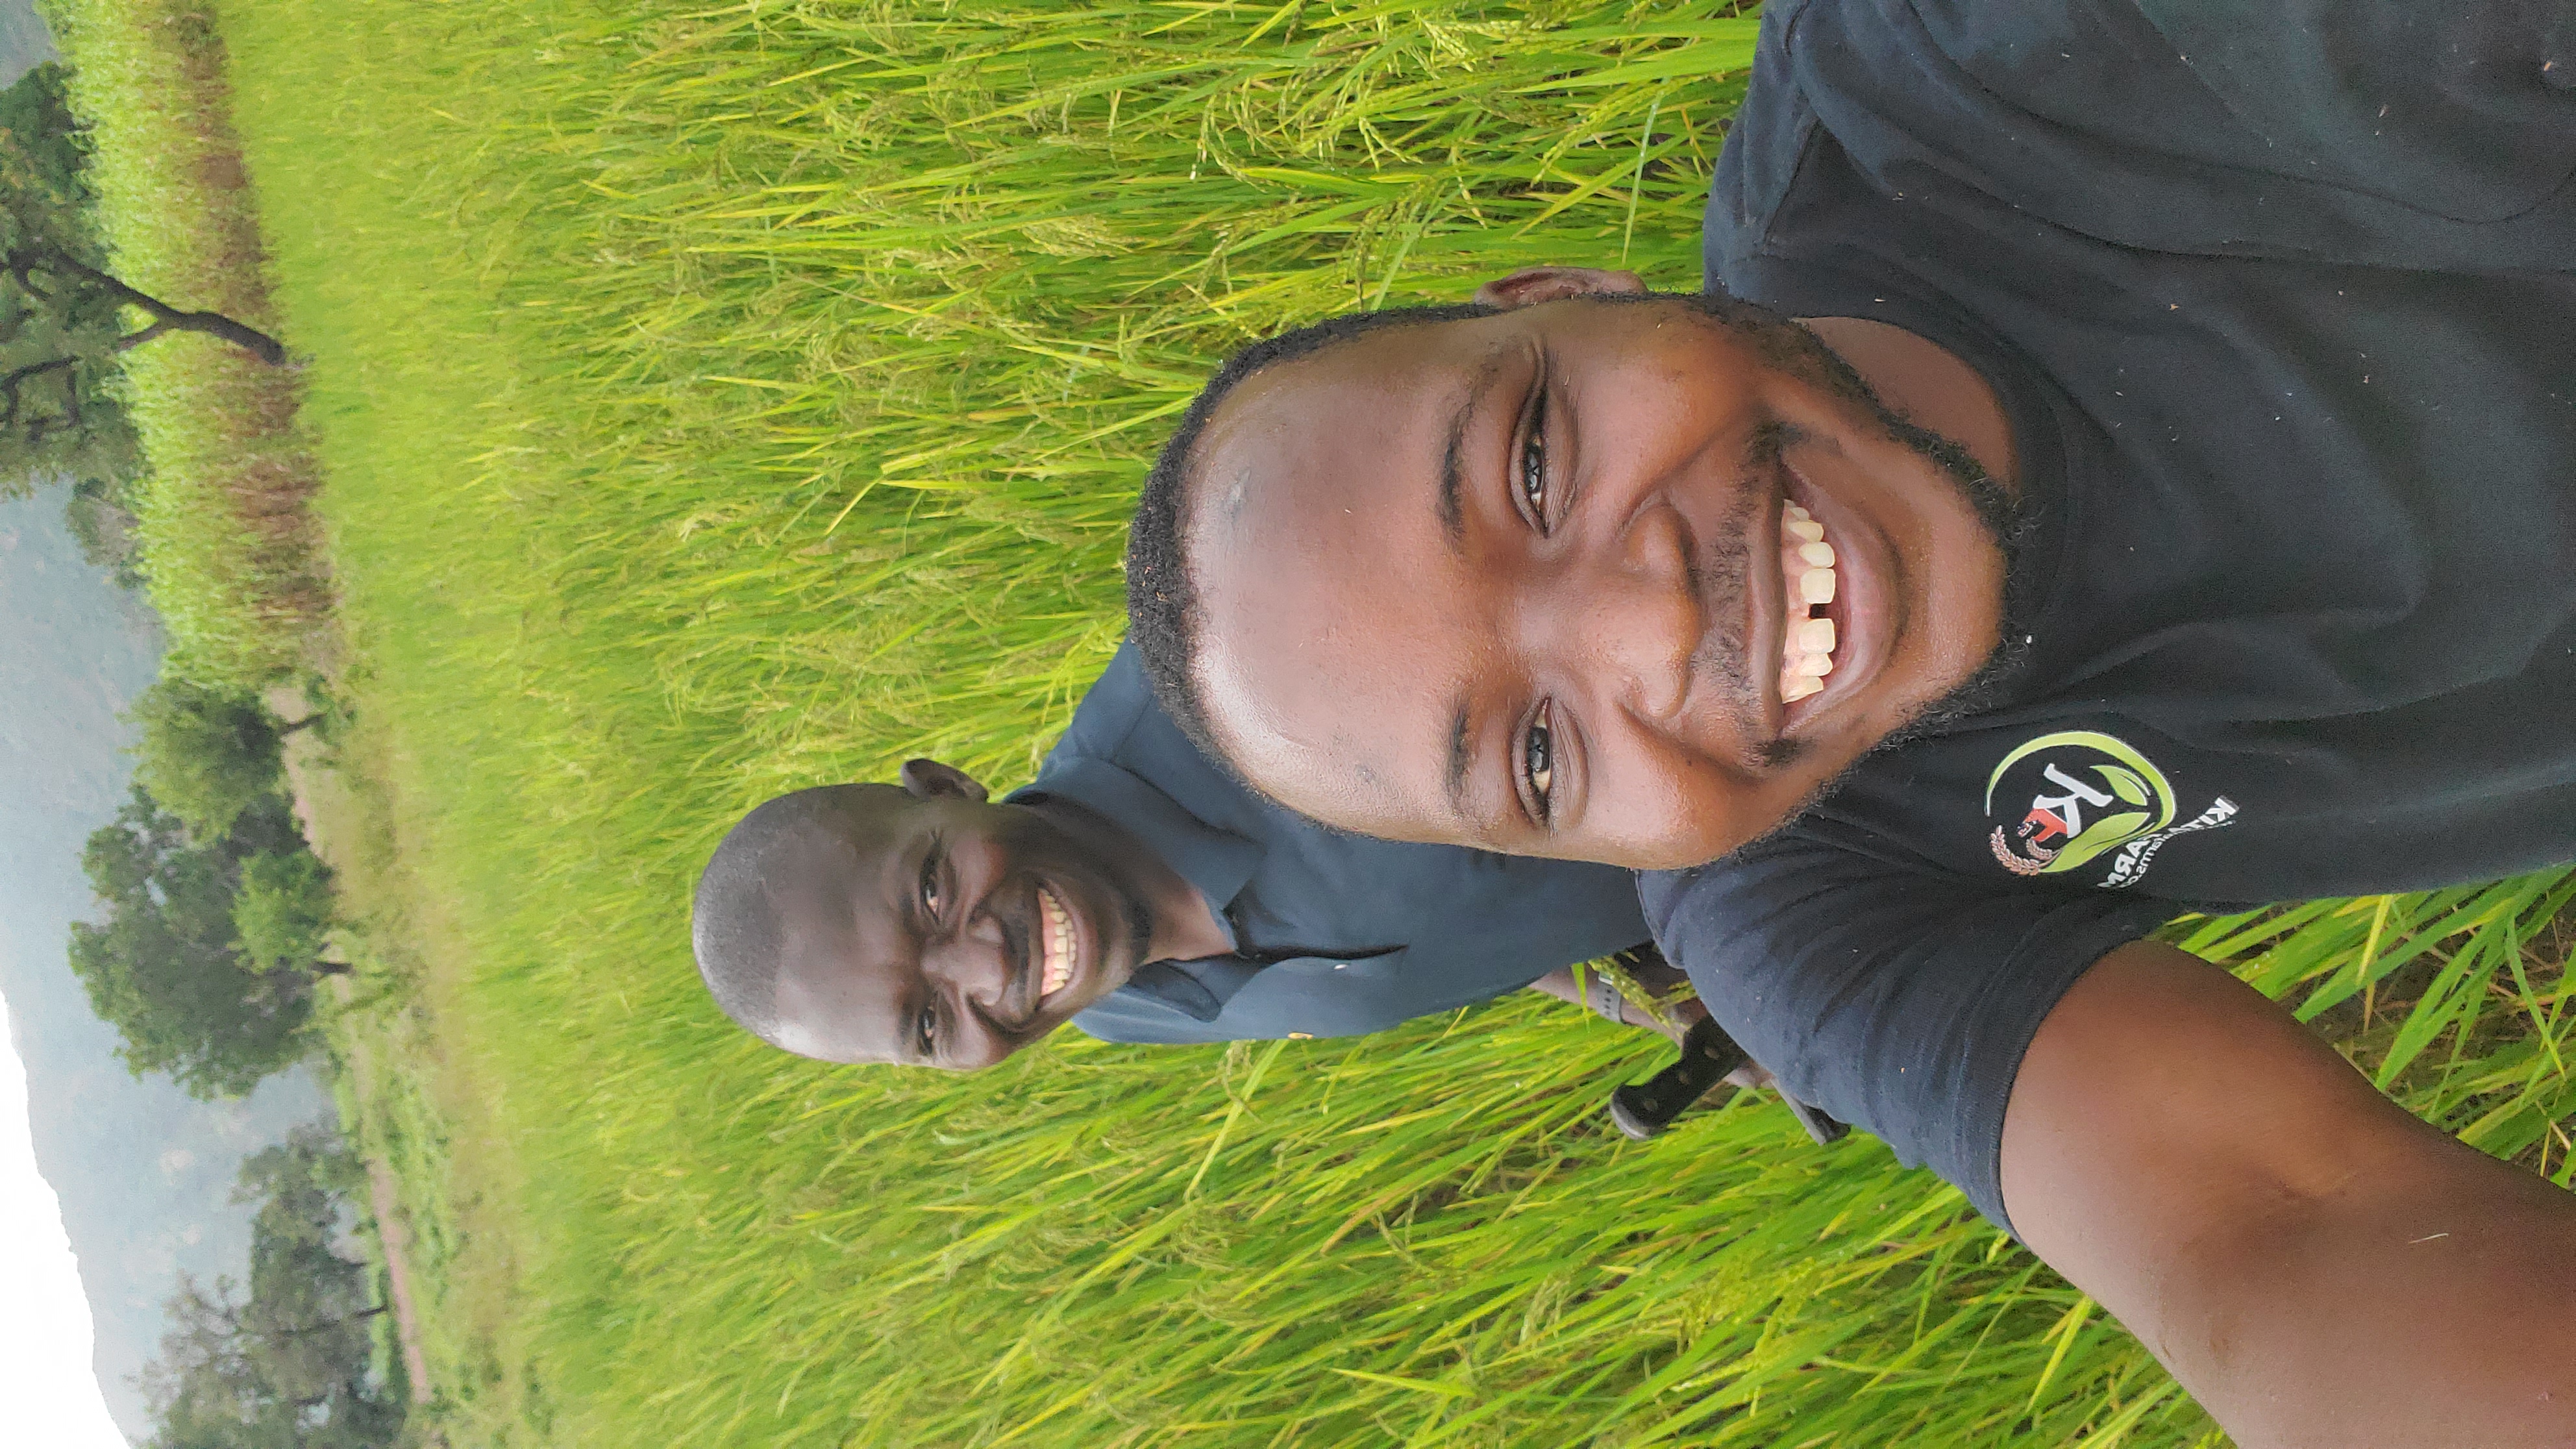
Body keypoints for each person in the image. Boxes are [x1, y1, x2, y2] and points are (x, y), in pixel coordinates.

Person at [1119, 1, 2576, 1443]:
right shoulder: (1797, 901)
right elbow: (2273, 1229)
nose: (1656, 626)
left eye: (1535, 469)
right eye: (1541, 755)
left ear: (1572, 293)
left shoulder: (1988, 62)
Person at [689, 642, 1718, 1069]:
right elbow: (1427, 919)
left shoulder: (1235, 662)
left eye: (928, 891)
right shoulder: (1117, 1008)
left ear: (945, 789)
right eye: (926, 1023)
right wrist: (1663, 994)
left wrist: (1754, 920)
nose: (988, 970)